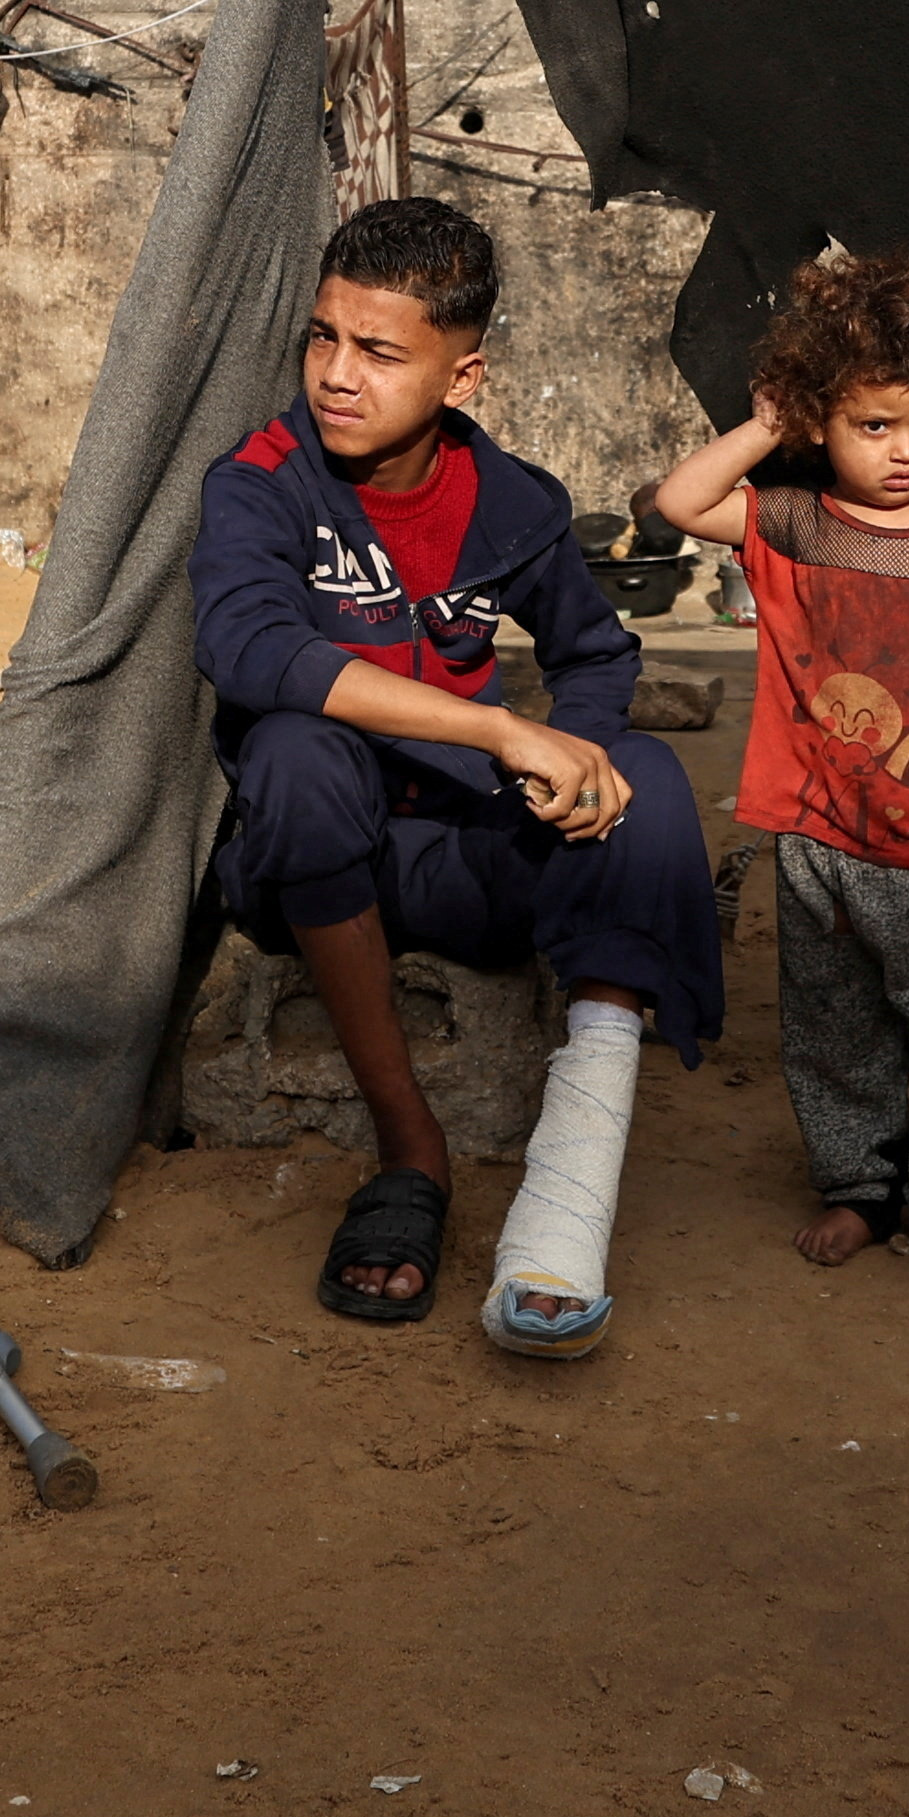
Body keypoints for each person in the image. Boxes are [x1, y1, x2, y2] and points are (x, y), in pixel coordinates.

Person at [197, 196, 724, 1355]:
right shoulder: (263, 478)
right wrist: (499, 731)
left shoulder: (517, 504)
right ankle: (408, 1148)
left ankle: (567, 1187)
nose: (337, 373)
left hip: (466, 860)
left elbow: (596, 653)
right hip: (314, 867)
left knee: (647, 786)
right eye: (323, 336)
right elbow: (249, 649)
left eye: (380, 352)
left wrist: (571, 750)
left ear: (463, 374)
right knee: (292, 745)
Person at [645, 247, 909, 1304]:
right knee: (834, 1031)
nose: (906, 450)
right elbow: (679, 502)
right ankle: (861, 1187)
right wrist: (763, 429)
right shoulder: (788, 523)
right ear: (823, 419)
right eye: (873, 424)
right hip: (824, 838)